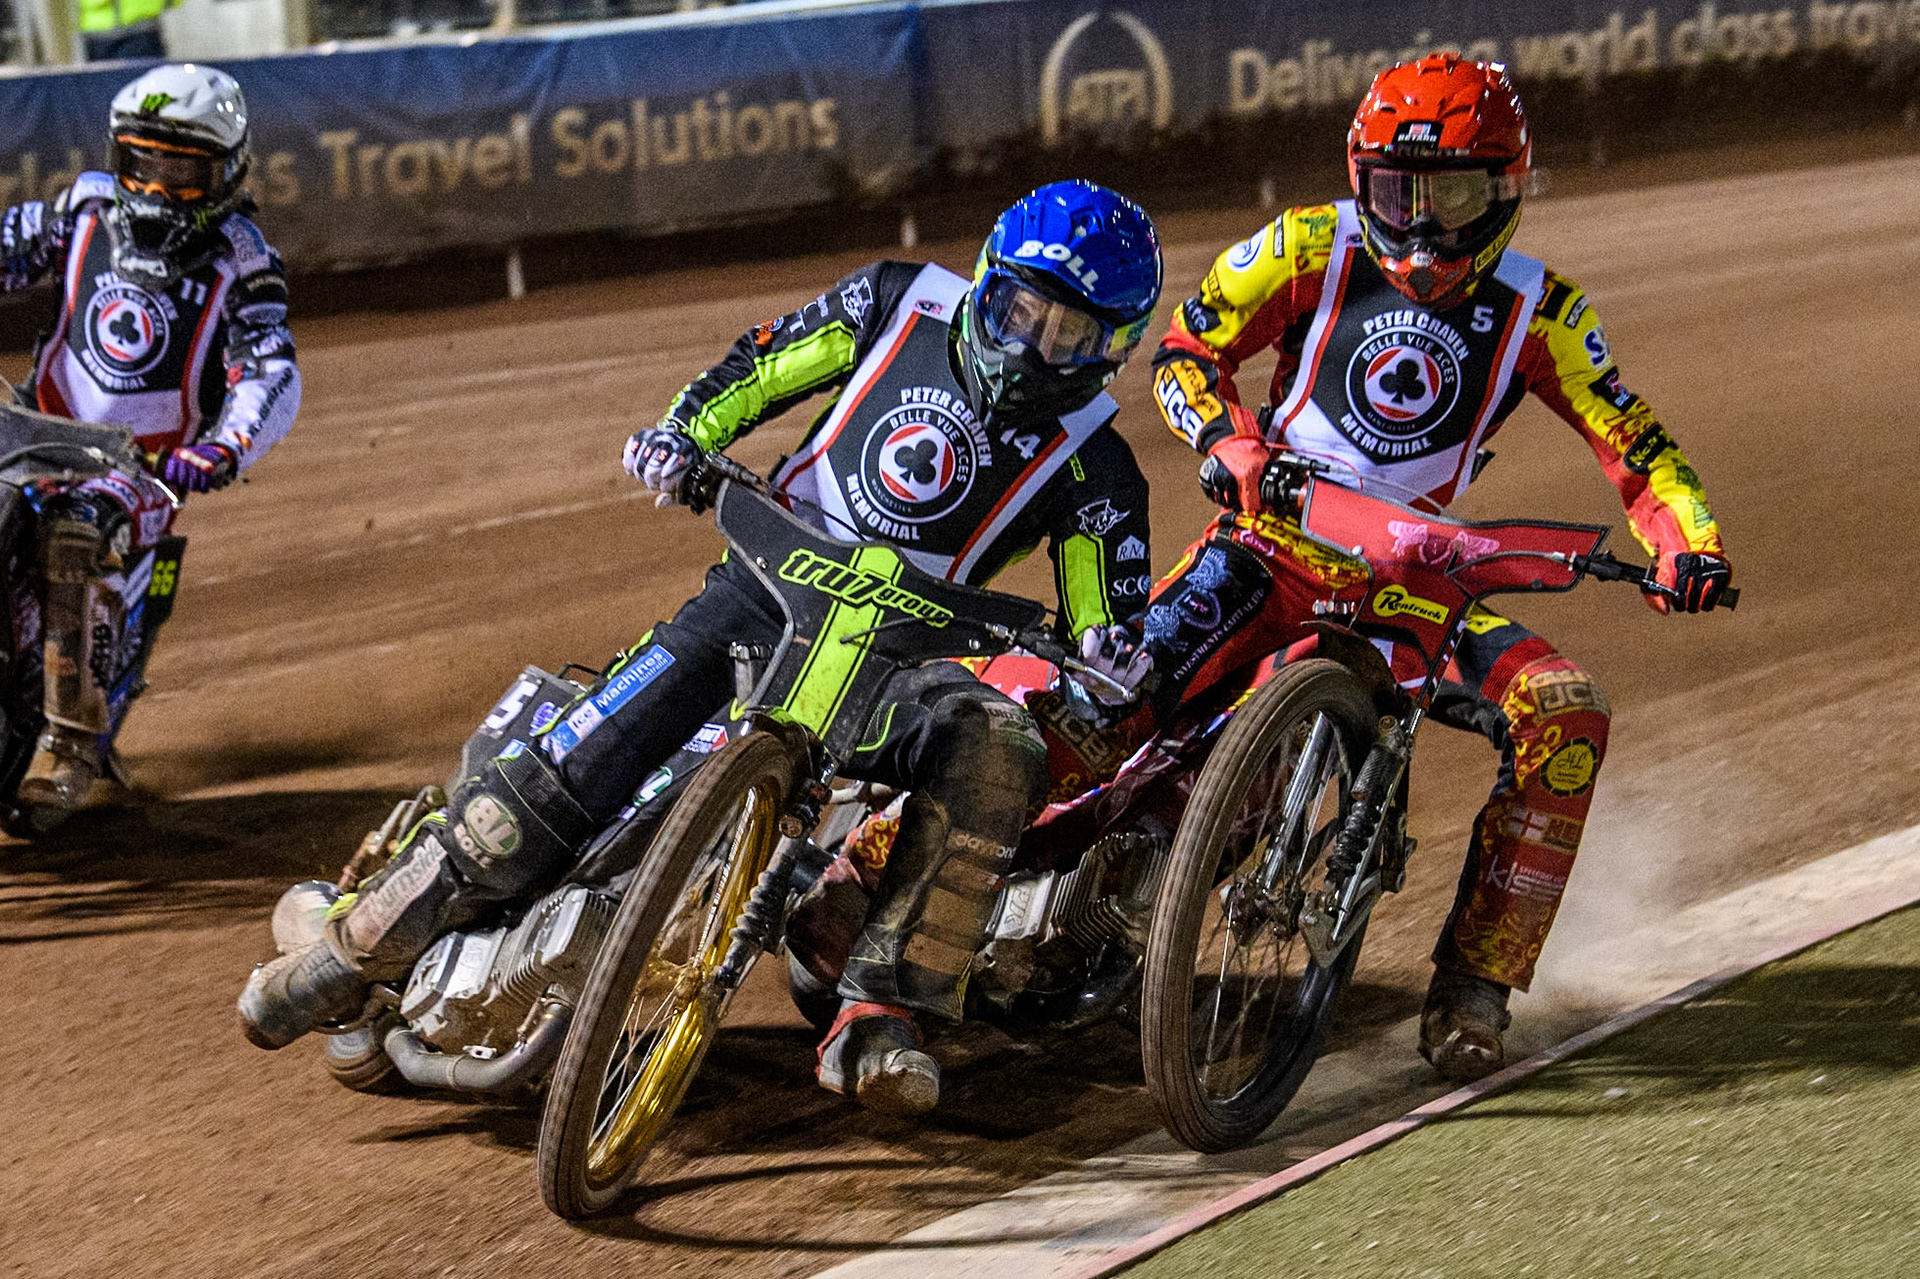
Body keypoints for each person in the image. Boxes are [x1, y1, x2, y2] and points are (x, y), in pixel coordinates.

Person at [238, 179, 1162, 1115]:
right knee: (569, 765)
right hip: (760, 596)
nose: (1032, 348)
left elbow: (1104, 611)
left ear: (1111, 349)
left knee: (998, 743)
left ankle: (885, 1008)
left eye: (1070, 336)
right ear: (984, 283)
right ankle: (347, 951)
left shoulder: (1100, 465)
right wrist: (685, 435)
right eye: (1020, 311)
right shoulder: (896, 300)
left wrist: (1107, 658)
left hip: (901, 668)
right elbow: (765, 365)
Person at [1141, 55, 1731, 1081]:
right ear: (1359, 177)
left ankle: (1474, 987)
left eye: (1452, 196)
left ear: (1505, 189)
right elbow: (1188, 349)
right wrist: (1227, 441)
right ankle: (882, 886)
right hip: (1267, 541)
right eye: (1395, 193)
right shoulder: (1303, 245)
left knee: (1566, 710)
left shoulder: (1544, 312)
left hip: (1411, 581)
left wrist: (1690, 542)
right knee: (1119, 697)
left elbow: (1634, 442)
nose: (1419, 229)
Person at [0, 62, 299, 813]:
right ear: (116, 158)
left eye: (182, 174)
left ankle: (66, 746)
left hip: (142, 465)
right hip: (36, 433)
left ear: (227, 174)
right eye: (144, 165)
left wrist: (225, 447)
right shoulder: (83, 211)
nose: (158, 190)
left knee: (77, 534)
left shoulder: (244, 261)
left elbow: (268, 370)